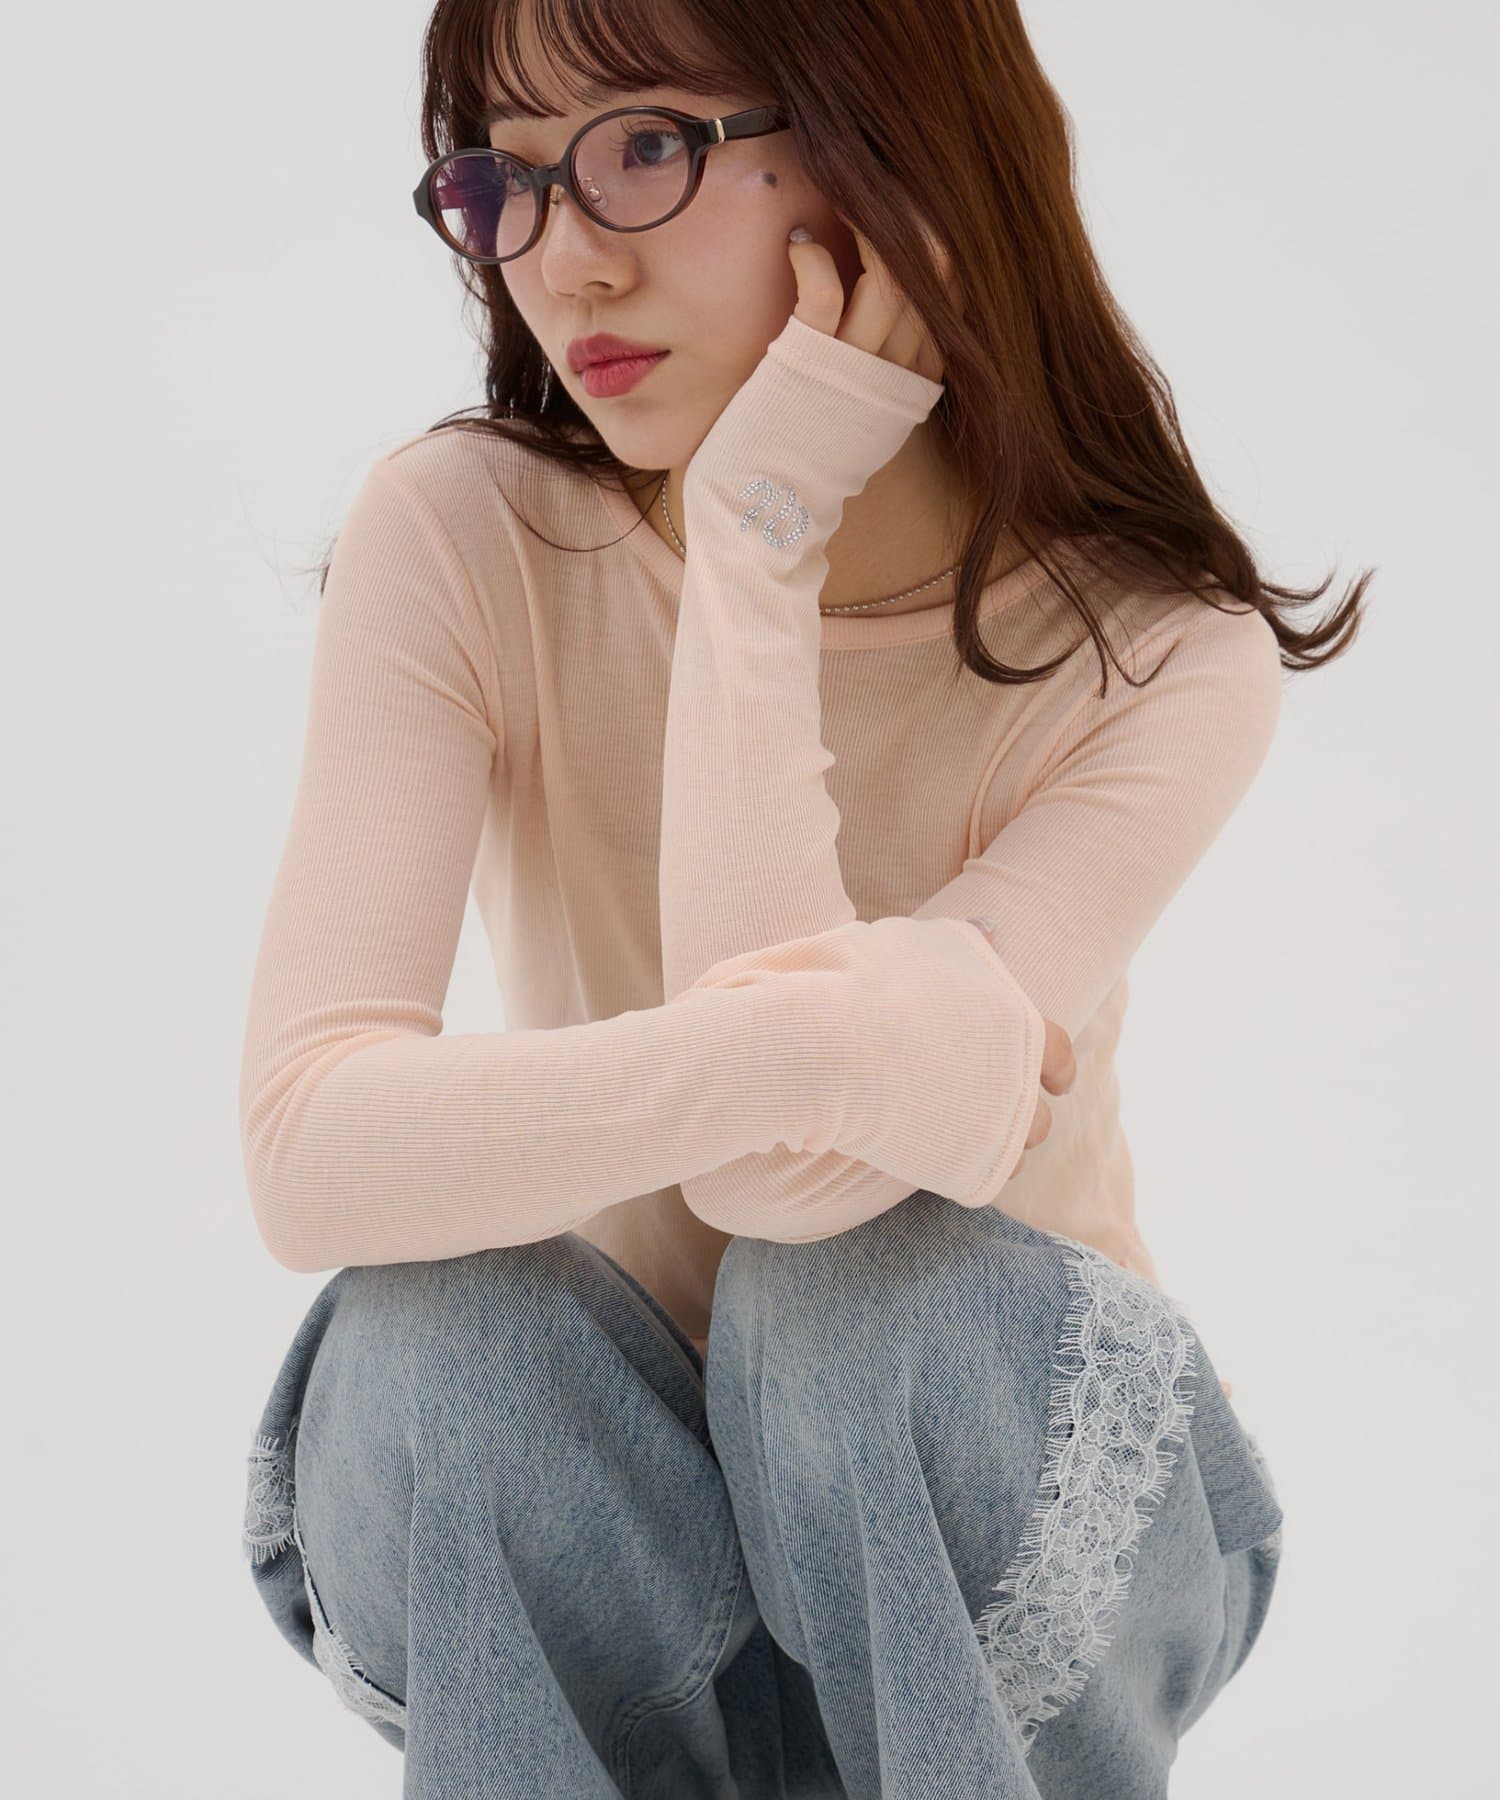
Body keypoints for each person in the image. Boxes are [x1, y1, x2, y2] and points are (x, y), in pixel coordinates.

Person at [238, 0, 1368, 1792]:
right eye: (506, 181)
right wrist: (807, 1059)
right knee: (437, 1333)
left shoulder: (1159, 652)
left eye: (645, 146)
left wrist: (758, 524)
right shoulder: (460, 534)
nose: (567, 264)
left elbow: (787, 1197)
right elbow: (309, 1156)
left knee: (847, 1303)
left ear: (895, 151)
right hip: (619, 1529)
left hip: (996, 1506)